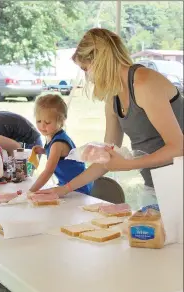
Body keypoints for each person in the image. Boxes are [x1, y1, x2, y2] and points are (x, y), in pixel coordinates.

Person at [34, 28, 183, 197]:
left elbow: (178, 148)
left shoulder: (144, 83)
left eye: (85, 69)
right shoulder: (113, 97)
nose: (87, 77)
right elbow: (105, 158)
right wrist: (65, 189)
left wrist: (129, 164)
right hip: (155, 185)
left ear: (100, 60)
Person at [29, 93, 93, 194]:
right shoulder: (53, 136)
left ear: (61, 121)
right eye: (39, 121)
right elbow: (59, 156)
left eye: (47, 122)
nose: (42, 126)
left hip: (78, 187)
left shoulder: (58, 143)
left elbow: (48, 171)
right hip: (67, 184)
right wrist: (44, 150)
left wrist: (31, 191)